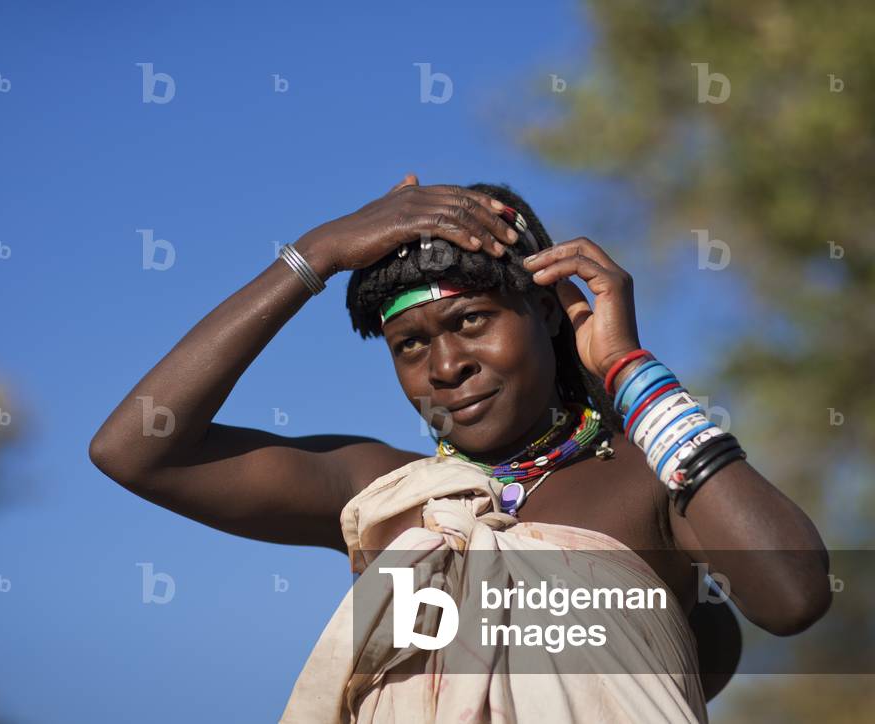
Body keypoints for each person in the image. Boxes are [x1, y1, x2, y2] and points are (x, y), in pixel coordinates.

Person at [89, 175, 831, 723]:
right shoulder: (390, 494)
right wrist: (314, 255)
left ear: (546, 311)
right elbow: (136, 449)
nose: (446, 367)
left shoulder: (643, 475)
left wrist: (629, 372)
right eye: (411, 343)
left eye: (474, 321)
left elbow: (793, 596)